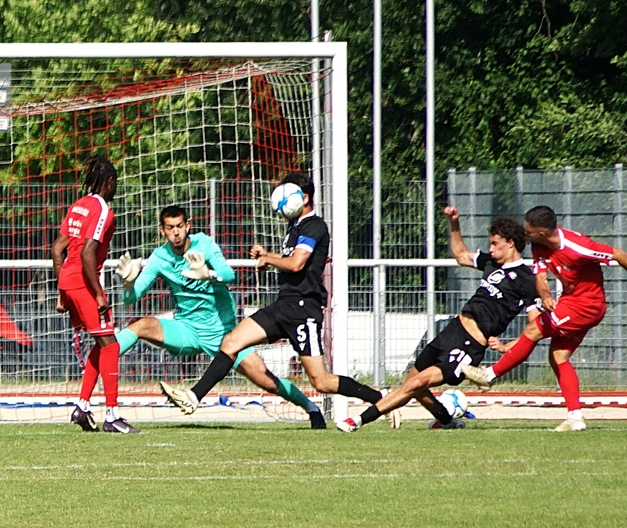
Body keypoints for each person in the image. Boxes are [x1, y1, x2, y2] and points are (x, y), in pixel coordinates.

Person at [161, 171, 385, 418]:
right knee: (231, 342)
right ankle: (193, 397)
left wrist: (269, 259)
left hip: (303, 309)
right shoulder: (294, 226)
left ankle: (380, 399)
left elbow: (297, 263)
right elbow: (290, 258)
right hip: (283, 305)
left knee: (321, 382)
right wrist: (267, 255)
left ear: (304, 198)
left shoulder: (314, 226)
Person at [116, 205, 326, 428]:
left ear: (188, 226)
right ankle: (99, 365)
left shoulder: (204, 245)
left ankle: (311, 409)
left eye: (179, 226)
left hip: (223, 334)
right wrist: (128, 283)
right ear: (162, 231)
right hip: (186, 330)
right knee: (139, 325)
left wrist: (208, 274)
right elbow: (131, 298)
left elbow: (228, 274)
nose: (176, 232)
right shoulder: (160, 257)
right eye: (170, 228)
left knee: (266, 379)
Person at [337, 208, 538, 432]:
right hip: (453, 331)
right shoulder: (491, 262)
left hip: (470, 346)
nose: (490, 249)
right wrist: (454, 223)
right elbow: (460, 255)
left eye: (495, 243)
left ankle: (357, 421)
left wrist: (510, 345)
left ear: (510, 243)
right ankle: (446, 420)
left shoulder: (526, 279)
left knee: (416, 384)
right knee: (413, 385)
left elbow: (536, 324)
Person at [462, 205, 627, 431]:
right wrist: (546, 295)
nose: (524, 234)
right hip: (570, 302)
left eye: (528, 231)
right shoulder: (539, 246)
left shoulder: (578, 247)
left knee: (534, 329)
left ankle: (489, 375)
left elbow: (618, 254)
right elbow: (540, 277)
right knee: (558, 357)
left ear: (541, 232)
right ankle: (575, 417)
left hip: (587, 306)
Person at [52, 155, 138, 433]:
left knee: (101, 343)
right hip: (83, 283)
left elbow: (57, 249)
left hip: (68, 281)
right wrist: (99, 294)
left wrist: (61, 293)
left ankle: (82, 406)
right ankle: (112, 415)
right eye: (115, 183)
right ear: (109, 181)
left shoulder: (78, 205)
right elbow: (87, 253)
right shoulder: (102, 210)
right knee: (111, 346)